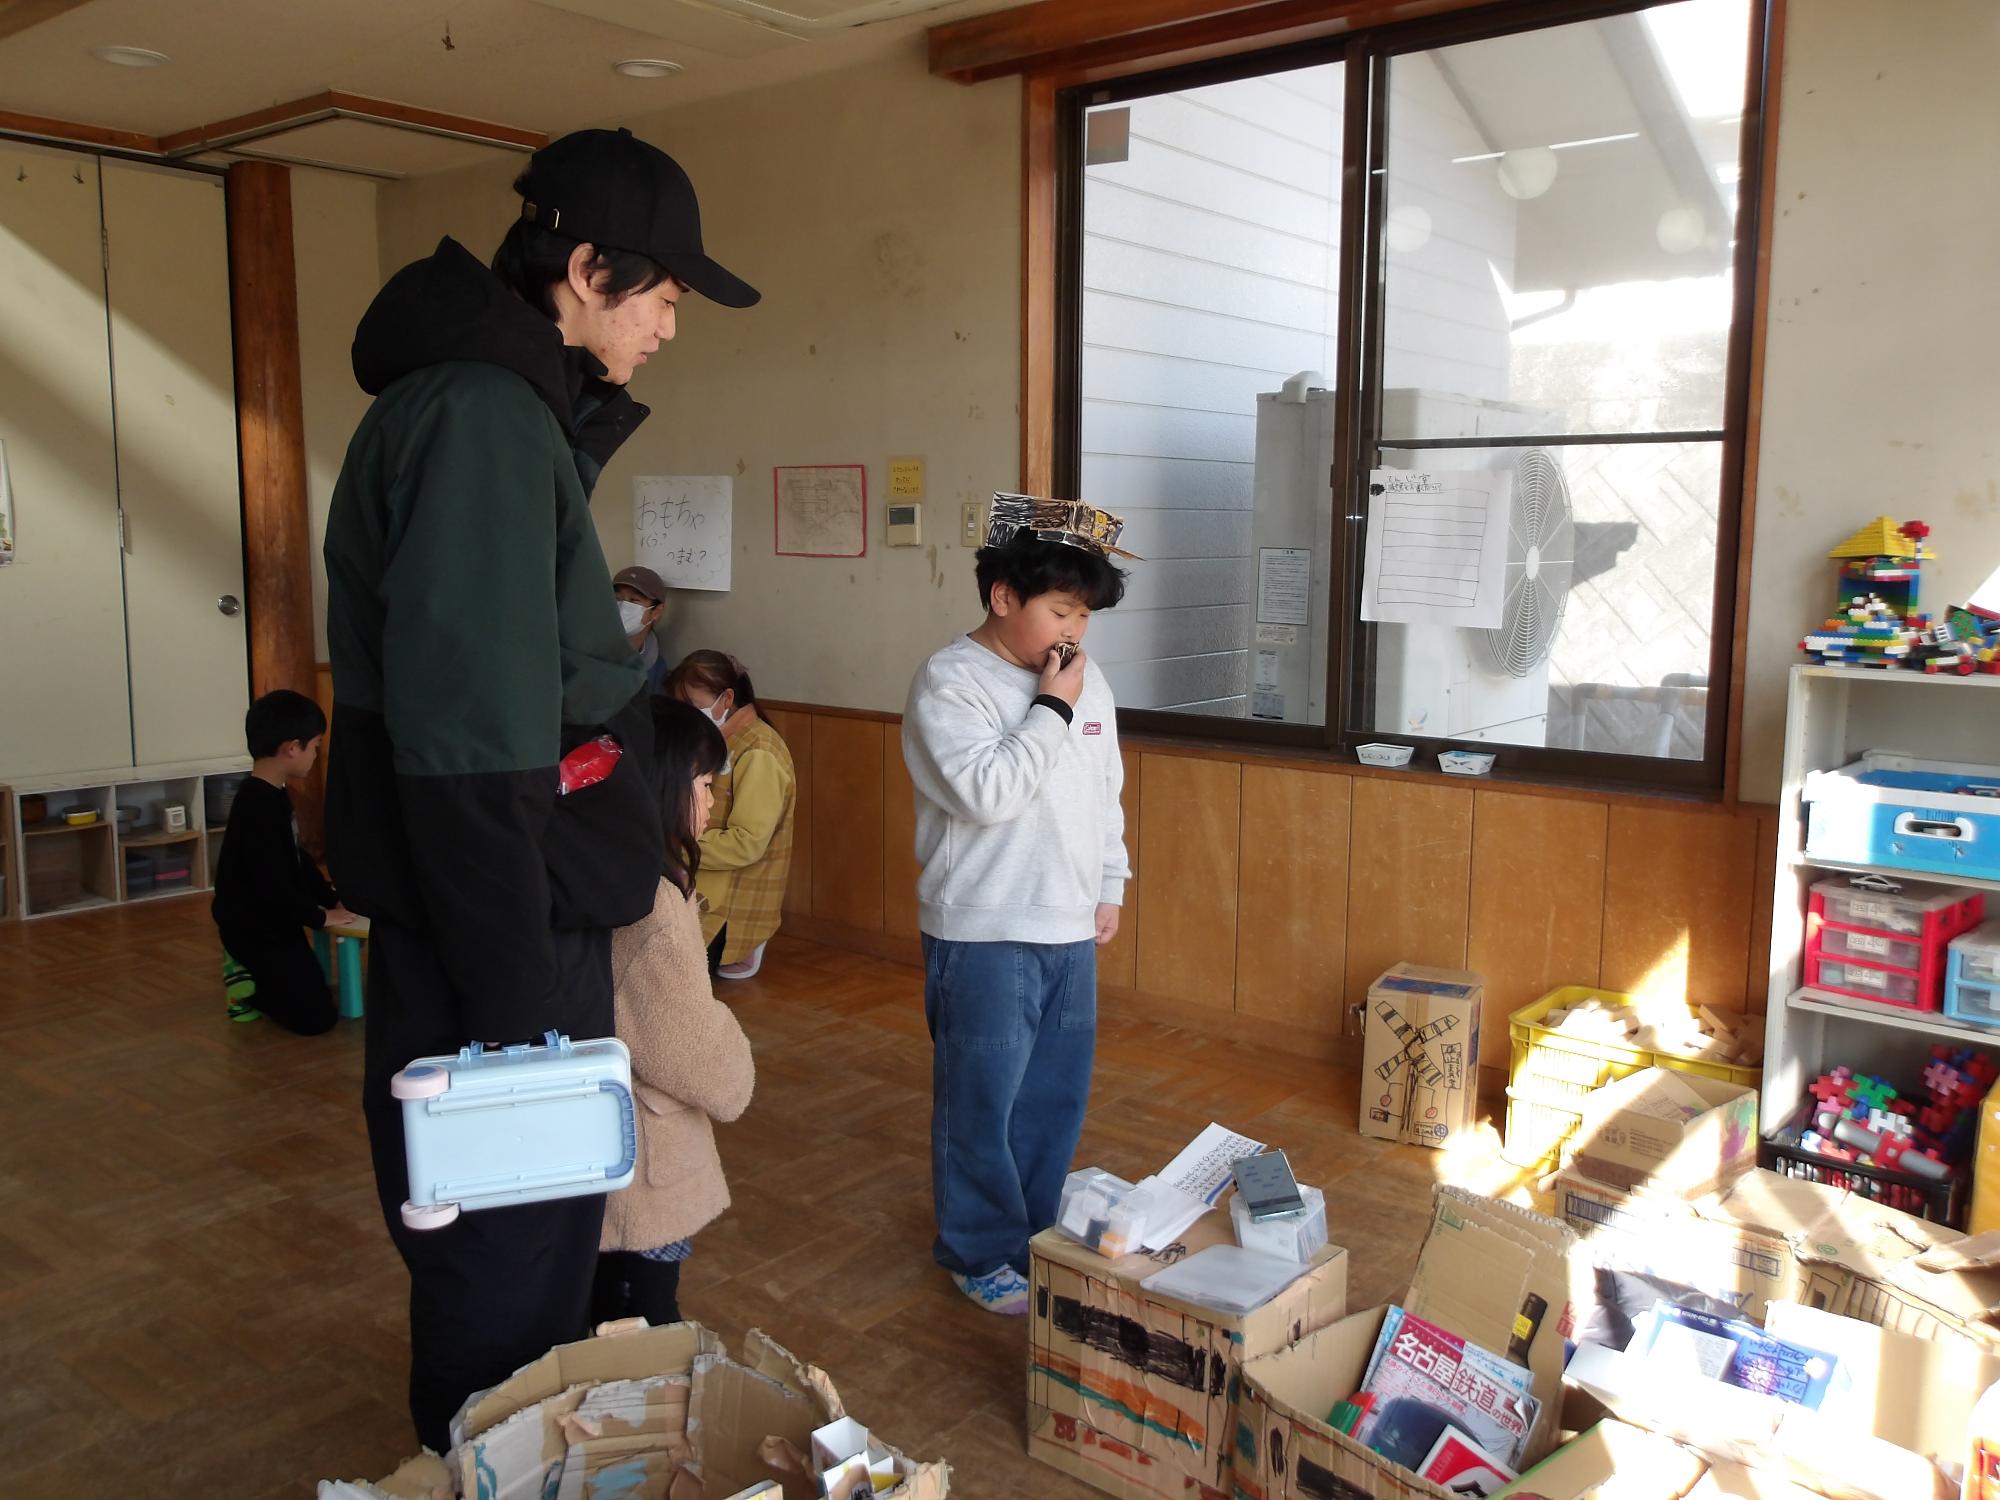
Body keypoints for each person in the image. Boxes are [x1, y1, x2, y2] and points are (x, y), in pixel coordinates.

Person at [322, 126, 758, 1451]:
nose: (675, 324)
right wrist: (522, 1032)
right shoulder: (479, 417)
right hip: (496, 939)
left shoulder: (499, 412)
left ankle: (514, 1460)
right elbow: (472, 748)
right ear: (586, 270)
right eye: (667, 293)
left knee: (520, 1262)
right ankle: (488, 1468)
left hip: (501, 914)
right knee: (506, 1274)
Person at [899, 499, 1133, 1315]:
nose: (1077, 630)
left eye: (1085, 615)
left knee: (1052, 1098)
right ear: (1003, 597)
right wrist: (1052, 706)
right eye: (1062, 610)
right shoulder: (949, 681)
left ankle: (1030, 1230)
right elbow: (988, 793)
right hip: (985, 925)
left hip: (1067, 921)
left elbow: (1106, 789)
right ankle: (977, 1247)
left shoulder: (1083, 674)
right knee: (981, 1099)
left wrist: (1111, 881)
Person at [594, 698, 755, 1327]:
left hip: (615, 1142)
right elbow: (687, 1049)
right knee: (642, 1312)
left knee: (610, 1299)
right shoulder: (655, 904)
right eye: (705, 785)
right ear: (663, 786)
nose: (712, 802)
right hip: (643, 1158)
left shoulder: (612, 866)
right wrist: (733, 1053)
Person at [210, 690, 357, 1036]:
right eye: (315, 746)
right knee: (316, 1020)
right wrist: (319, 917)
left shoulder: (275, 793)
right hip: (253, 925)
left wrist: (329, 897)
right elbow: (271, 881)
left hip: (278, 916)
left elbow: (295, 858)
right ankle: (243, 978)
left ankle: (263, 976)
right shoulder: (256, 804)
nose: (316, 755)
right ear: (293, 747)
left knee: (316, 1003)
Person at [666, 650, 796, 980]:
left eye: (693, 706)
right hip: (695, 881)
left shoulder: (759, 751)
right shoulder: (714, 741)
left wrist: (674, 847)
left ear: (727, 699)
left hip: (727, 907)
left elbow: (747, 843)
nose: (687, 716)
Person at [614, 565, 670, 693]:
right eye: (617, 599)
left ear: (656, 611)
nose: (623, 606)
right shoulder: (590, 650)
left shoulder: (655, 665)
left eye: (634, 601)